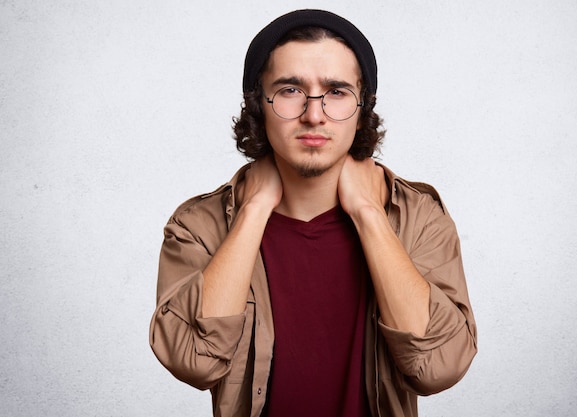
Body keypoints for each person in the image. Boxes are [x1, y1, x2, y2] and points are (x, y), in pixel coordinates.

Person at [150, 9, 477, 417]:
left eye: (337, 92)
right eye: (290, 90)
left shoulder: (418, 217)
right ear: (258, 105)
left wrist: (368, 213)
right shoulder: (198, 226)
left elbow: (441, 367)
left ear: (362, 109)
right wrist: (253, 210)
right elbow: (193, 361)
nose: (314, 114)